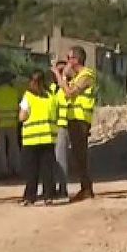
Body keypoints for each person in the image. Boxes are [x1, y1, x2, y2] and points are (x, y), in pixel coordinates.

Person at [58, 46, 98, 201]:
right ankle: (85, 187)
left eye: (69, 58)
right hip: (74, 119)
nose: (67, 62)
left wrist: (60, 76)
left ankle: (86, 188)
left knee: (80, 154)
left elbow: (70, 93)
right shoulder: (77, 76)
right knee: (77, 154)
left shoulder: (86, 75)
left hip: (81, 120)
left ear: (76, 59)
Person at [16, 71, 59, 205]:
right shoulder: (51, 96)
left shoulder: (28, 96)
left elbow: (22, 116)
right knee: (47, 170)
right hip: (48, 138)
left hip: (31, 139)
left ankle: (30, 197)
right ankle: (48, 196)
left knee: (31, 171)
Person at [44, 59, 71, 201]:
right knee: (51, 160)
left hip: (61, 127)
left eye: (60, 71)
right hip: (51, 127)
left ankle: (63, 188)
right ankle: (51, 187)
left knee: (60, 159)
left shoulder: (66, 88)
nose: (57, 74)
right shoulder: (52, 89)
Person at [0, 71, 23, 179]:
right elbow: (19, 104)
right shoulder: (15, 91)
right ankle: (17, 169)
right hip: (12, 122)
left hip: (0, 123)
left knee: (2, 148)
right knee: (14, 148)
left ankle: (4, 170)